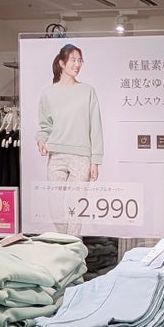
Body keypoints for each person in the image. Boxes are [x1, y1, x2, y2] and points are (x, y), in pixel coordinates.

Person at [35, 44, 103, 235]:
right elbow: (45, 125)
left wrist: (96, 160)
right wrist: (41, 139)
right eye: (73, 60)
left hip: (82, 157)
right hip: (56, 155)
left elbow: (96, 126)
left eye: (80, 60)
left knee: (76, 206)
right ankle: (68, 240)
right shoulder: (48, 93)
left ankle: (73, 245)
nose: (77, 64)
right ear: (62, 63)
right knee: (54, 205)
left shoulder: (88, 91)